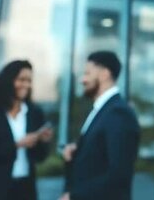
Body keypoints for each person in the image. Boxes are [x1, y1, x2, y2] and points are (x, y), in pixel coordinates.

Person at [0, 60, 53, 200]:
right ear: (9, 81)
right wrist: (17, 144)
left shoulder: (34, 113)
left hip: (25, 189)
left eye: (29, 80)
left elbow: (40, 157)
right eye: (21, 79)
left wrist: (43, 141)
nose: (26, 85)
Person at [60, 51, 140, 200]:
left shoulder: (118, 113)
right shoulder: (103, 110)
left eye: (87, 73)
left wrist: (73, 196)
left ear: (104, 74)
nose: (82, 79)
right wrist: (75, 154)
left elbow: (118, 175)